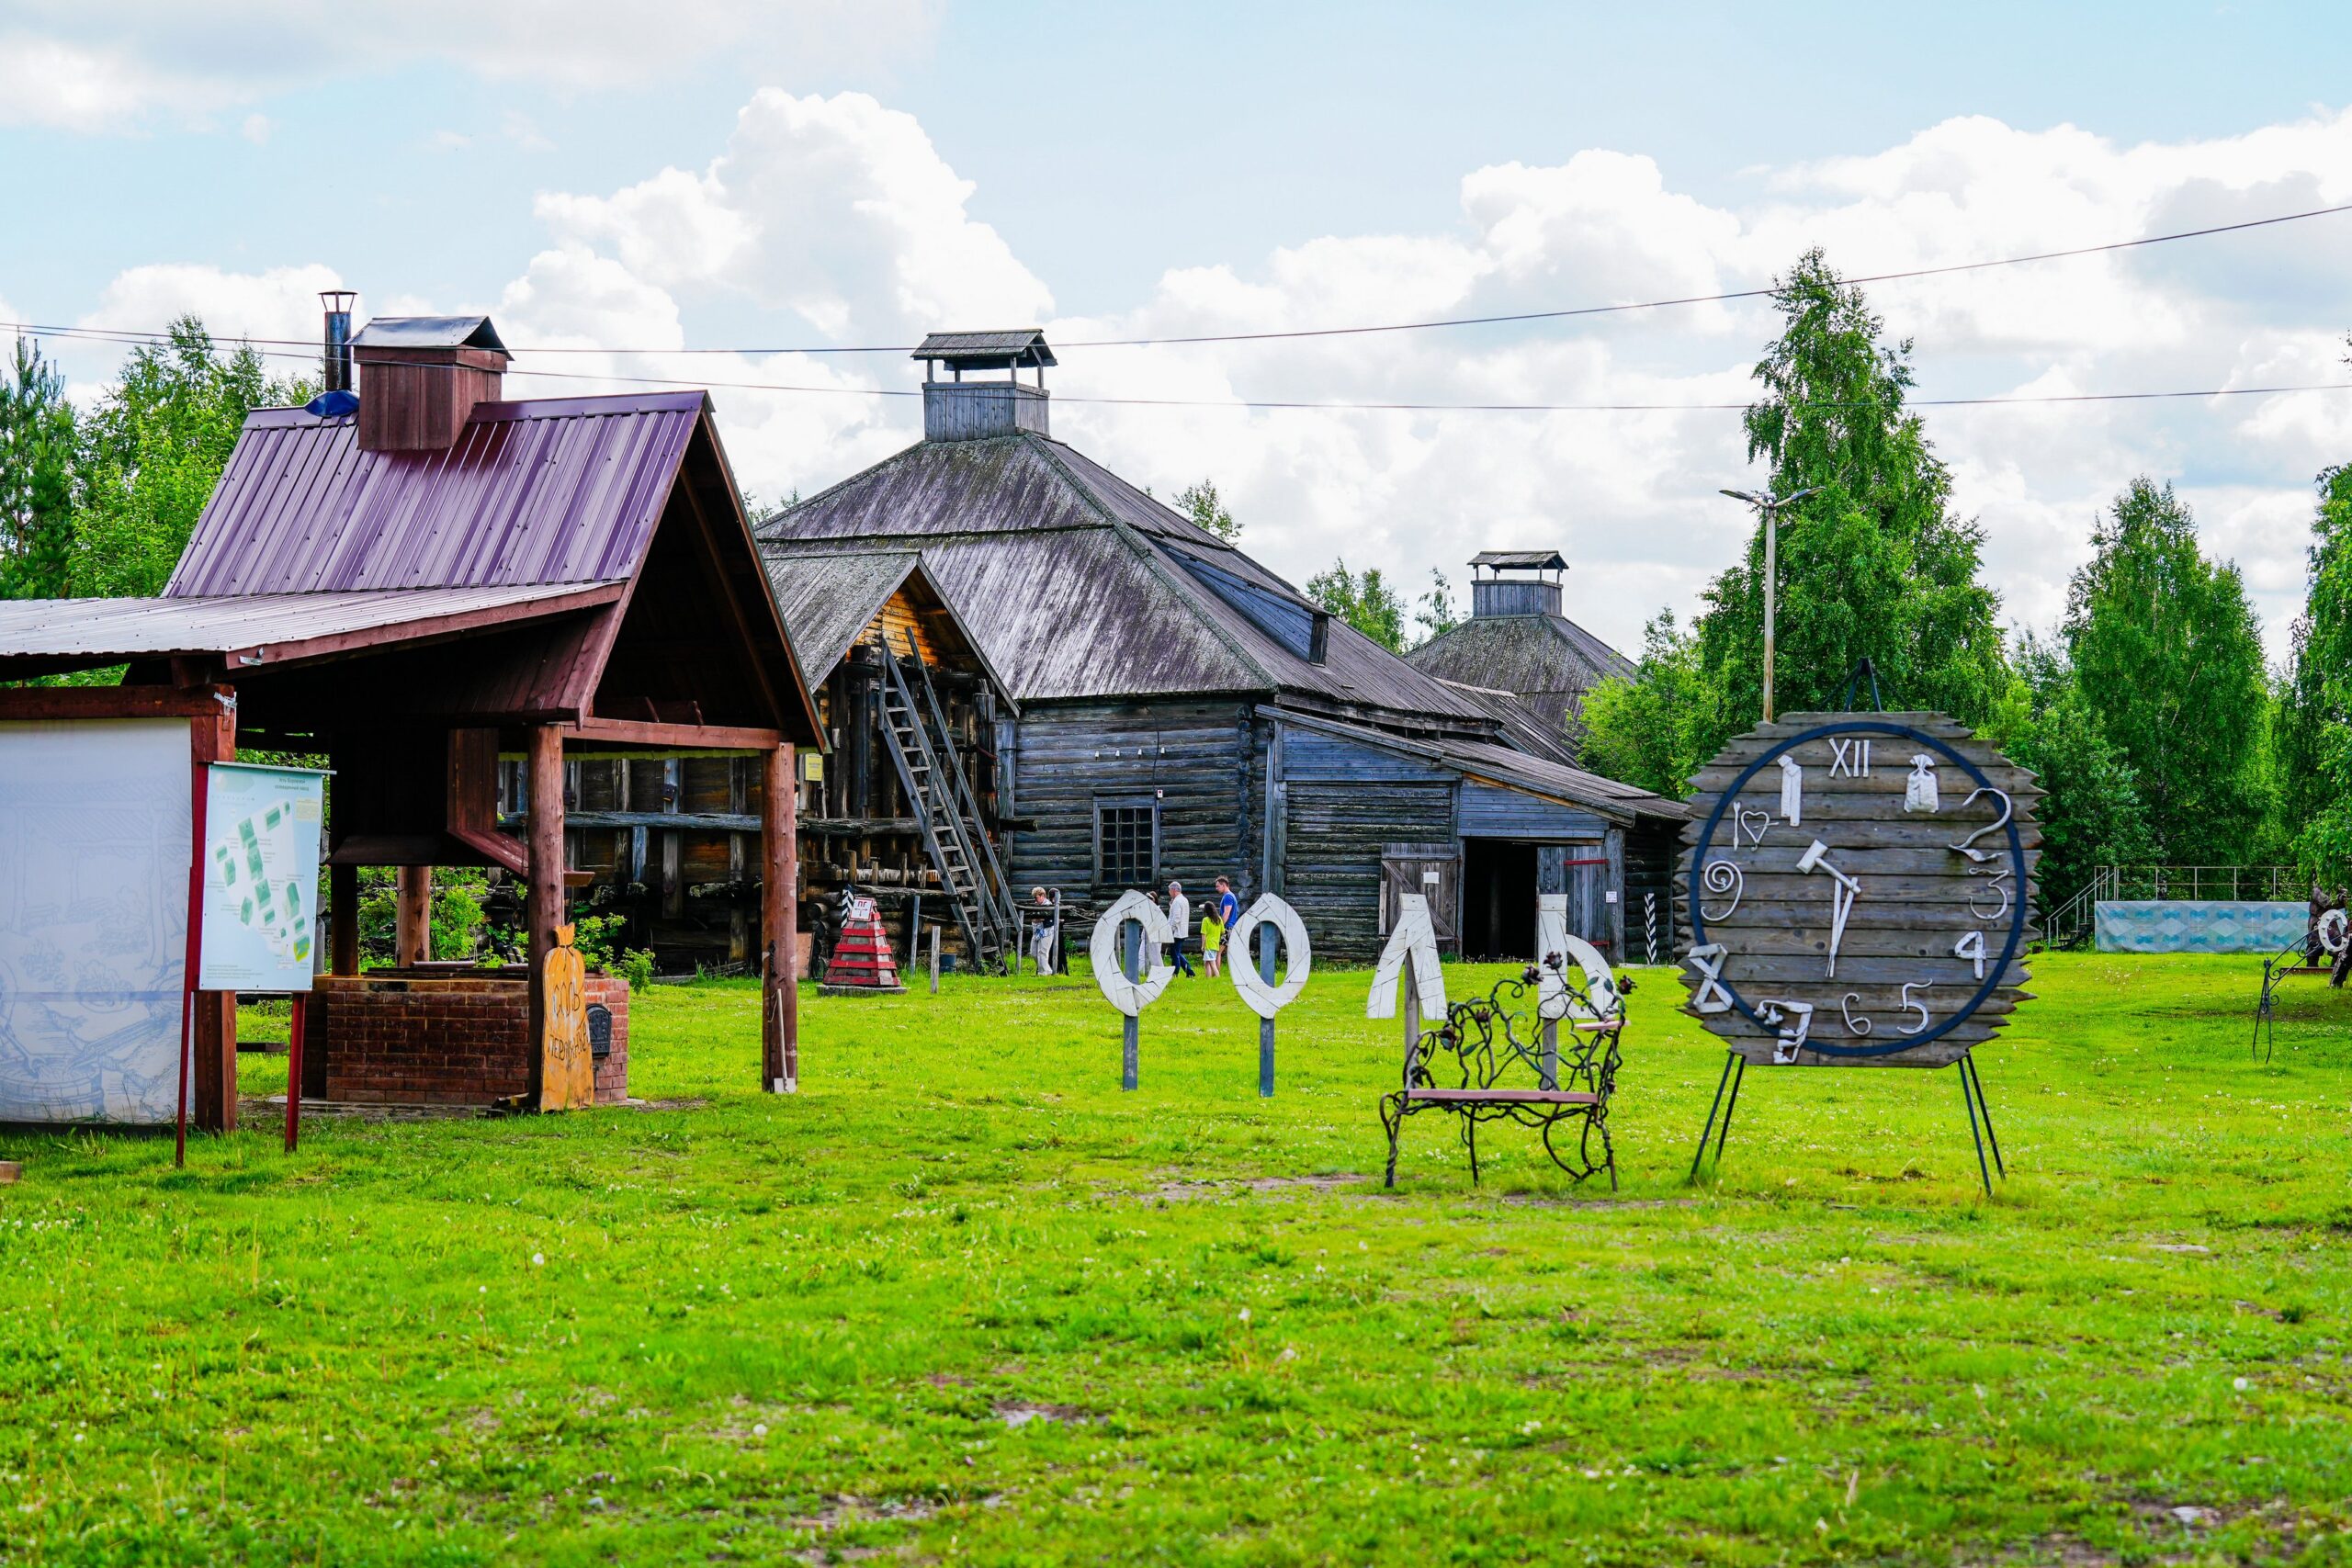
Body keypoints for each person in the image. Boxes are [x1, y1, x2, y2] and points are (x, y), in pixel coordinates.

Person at [1165, 881, 1195, 977]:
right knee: (1177, 953)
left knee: (1175, 954)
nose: (1169, 893)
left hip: (1176, 932)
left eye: (1170, 891)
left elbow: (1176, 918)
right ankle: (1189, 972)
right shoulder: (1184, 899)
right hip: (1182, 931)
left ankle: (1175, 973)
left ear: (1174, 890)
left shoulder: (1177, 901)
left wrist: (1170, 929)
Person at [1028, 886, 1059, 976]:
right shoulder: (1036, 905)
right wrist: (1037, 919)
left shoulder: (1048, 905)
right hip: (1037, 931)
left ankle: (1042, 973)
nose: (1035, 900)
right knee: (1033, 952)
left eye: (1036, 897)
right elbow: (1033, 918)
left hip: (1047, 931)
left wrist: (1037, 919)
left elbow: (1043, 919)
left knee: (1042, 952)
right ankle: (1048, 970)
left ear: (1042, 895)